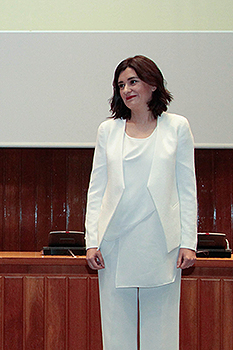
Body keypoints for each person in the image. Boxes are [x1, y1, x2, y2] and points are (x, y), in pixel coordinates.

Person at [84, 55, 197, 349]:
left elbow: (186, 189)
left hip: (161, 245)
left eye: (133, 81)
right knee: (116, 334)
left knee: (161, 334)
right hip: (115, 245)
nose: (126, 89)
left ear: (153, 84)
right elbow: (96, 190)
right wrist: (91, 241)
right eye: (121, 84)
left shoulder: (177, 127)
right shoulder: (107, 131)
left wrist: (189, 242)